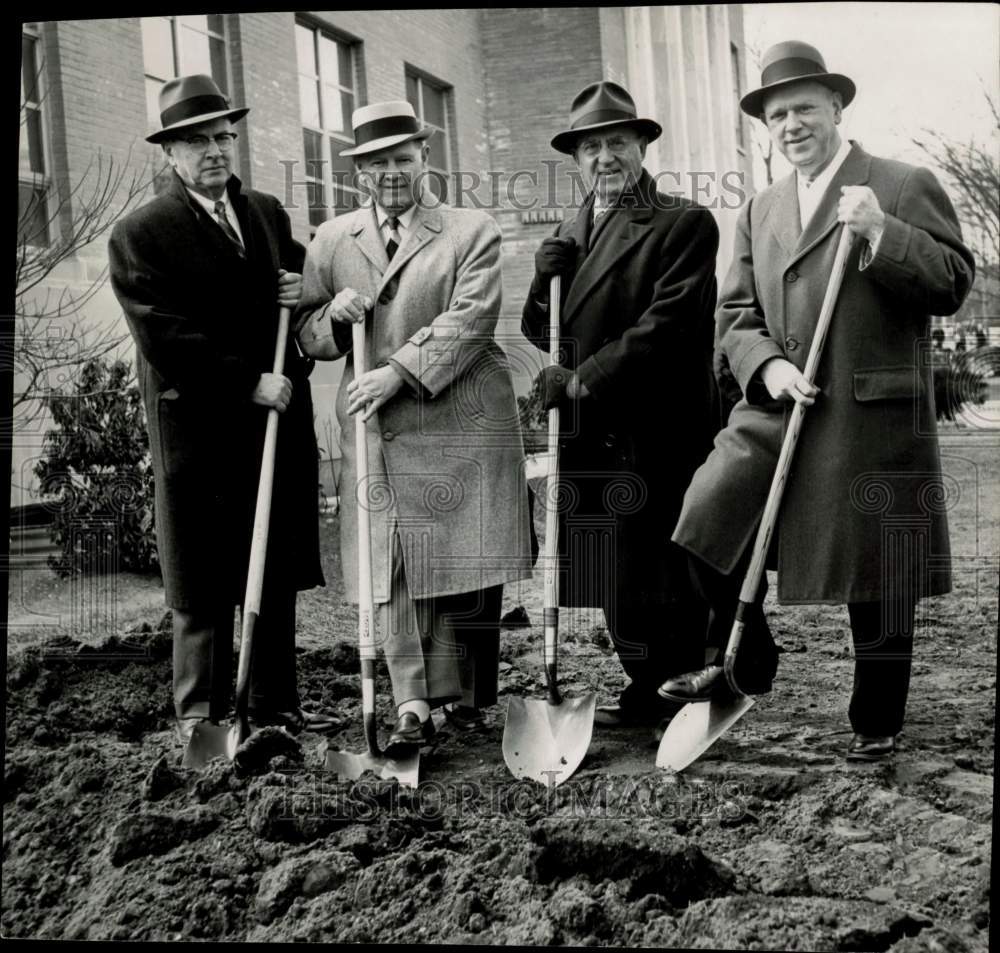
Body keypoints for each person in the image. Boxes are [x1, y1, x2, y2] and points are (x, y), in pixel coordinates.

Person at [661, 42, 974, 762]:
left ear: (837, 107)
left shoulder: (899, 184)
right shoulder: (761, 209)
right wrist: (766, 366)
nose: (792, 124)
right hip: (778, 408)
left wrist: (882, 235)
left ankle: (876, 719)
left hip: (870, 413)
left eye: (804, 107)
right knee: (703, 521)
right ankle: (750, 656)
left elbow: (953, 281)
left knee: (877, 575)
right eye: (778, 115)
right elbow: (735, 313)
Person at [296, 101, 533, 750]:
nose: (392, 171)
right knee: (390, 566)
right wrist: (338, 318)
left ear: (426, 158)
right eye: (378, 163)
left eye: (404, 157)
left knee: (457, 558)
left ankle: (458, 697)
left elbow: (472, 318)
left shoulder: (469, 229)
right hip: (379, 428)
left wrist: (398, 371)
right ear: (360, 173)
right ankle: (410, 705)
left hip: (457, 414)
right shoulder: (332, 241)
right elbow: (308, 334)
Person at [109, 74, 332, 745]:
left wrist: (304, 290)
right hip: (202, 430)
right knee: (204, 581)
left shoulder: (265, 213)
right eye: (197, 140)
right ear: (169, 153)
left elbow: (299, 304)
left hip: (271, 428)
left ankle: (273, 707)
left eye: (223, 136)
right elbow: (165, 335)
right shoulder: (141, 233)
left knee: (272, 569)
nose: (214, 150)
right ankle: (202, 719)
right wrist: (248, 383)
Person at [521, 81, 721, 738]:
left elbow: (668, 325)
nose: (603, 157)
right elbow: (540, 331)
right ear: (576, 158)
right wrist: (541, 278)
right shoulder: (570, 230)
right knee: (612, 572)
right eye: (590, 147)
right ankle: (642, 686)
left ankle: (682, 688)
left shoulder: (681, 221)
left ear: (640, 146)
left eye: (615, 142)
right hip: (596, 434)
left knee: (662, 567)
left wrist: (582, 381)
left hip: (656, 428)